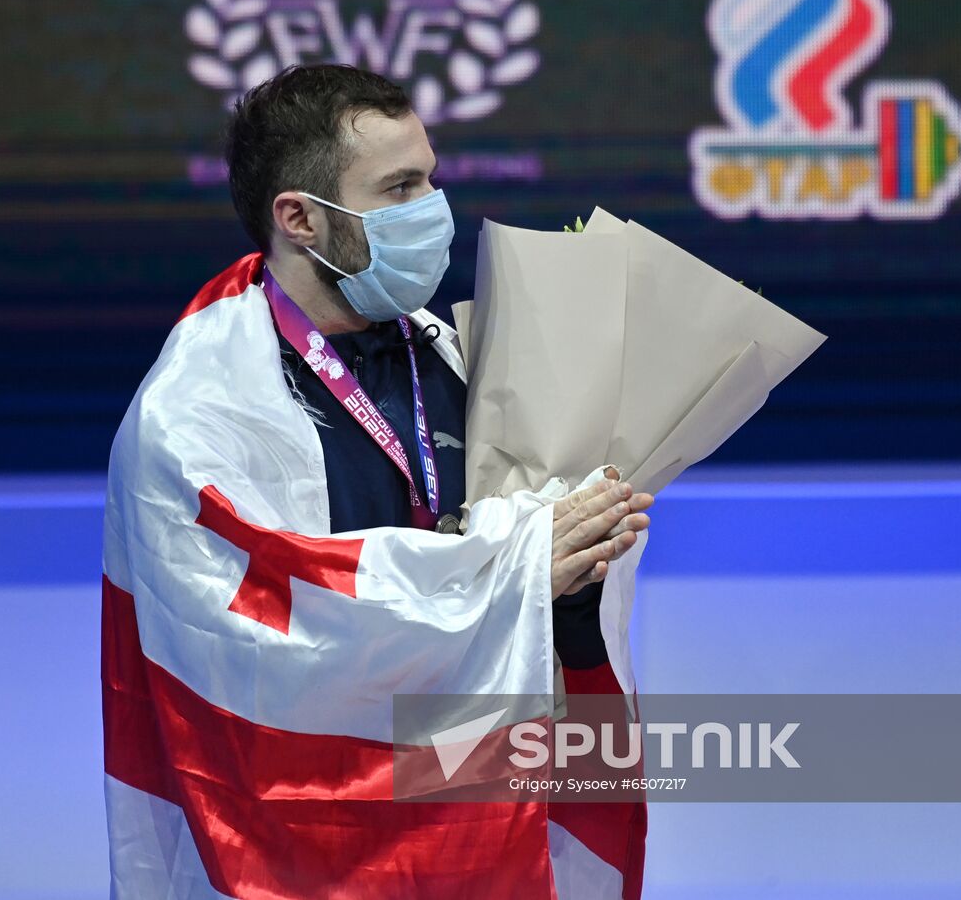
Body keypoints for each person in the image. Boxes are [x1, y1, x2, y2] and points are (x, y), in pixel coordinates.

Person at [100, 63, 654, 899]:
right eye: (399, 188)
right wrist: (510, 575)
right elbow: (269, 662)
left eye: (430, 177)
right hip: (308, 850)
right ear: (301, 219)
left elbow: (529, 611)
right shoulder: (194, 420)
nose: (433, 211)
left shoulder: (452, 355)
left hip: (470, 828)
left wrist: (576, 575)